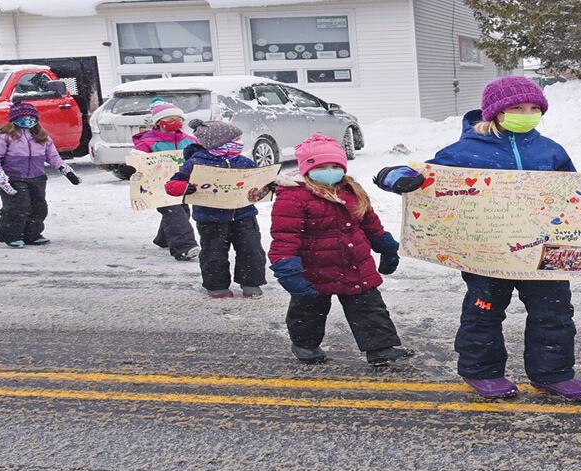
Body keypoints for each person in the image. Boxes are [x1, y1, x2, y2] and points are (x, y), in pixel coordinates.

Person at [374, 76, 581, 401]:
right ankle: (482, 371)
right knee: (484, 310)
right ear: (495, 111)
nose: (528, 113)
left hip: (544, 250)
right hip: (486, 250)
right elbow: (426, 177)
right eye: (518, 107)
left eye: (535, 108)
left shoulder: (550, 150)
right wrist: (394, 176)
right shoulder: (466, 151)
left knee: (555, 315)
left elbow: (575, 198)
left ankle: (553, 374)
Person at [269, 133, 413, 366]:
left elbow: (369, 223)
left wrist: (386, 246)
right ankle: (305, 344)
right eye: (323, 166)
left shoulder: (350, 190)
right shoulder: (294, 196)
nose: (330, 170)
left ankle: (381, 348)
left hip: (355, 264)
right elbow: (285, 236)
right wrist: (287, 268)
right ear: (307, 168)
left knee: (369, 307)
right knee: (308, 310)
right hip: (314, 268)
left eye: (335, 165)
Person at [165, 119, 268, 298]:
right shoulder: (197, 162)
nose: (239, 143)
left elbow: (260, 181)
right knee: (214, 253)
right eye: (236, 139)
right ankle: (216, 285)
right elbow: (172, 184)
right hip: (210, 219)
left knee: (251, 250)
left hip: (244, 215)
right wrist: (183, 188)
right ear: (220, 142)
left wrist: (269, 186)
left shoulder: (244, 161)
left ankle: (251, 283)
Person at [0, 102, 80, 249]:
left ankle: (32, 234)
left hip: (37, 177)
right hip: (13, 177)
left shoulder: (41, 137)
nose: (27, 120)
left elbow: (53, 156)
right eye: (23, 117)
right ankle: (11, 235)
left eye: (31, 117)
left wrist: (65, 169)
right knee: (18, 207)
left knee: (39, 207)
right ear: (14, 119)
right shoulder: (4, 137)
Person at [131, 98, 200, 261]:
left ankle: (163, 239)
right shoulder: (147, 142)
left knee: (182, 211)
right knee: (174, 211)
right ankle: (185, 247)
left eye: (179, 119)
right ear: (159, 122)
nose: (175, 122)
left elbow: (199, 154)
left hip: (180, 184)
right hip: (157, 185)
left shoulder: (189, 141)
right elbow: (136, 160)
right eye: (170, 119)